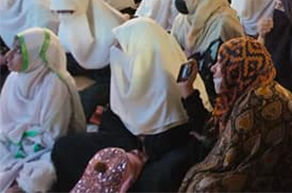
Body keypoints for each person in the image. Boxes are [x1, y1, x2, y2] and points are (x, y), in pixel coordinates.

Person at [52, 18, 203, 192]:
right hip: (125, 148)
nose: (117, 54)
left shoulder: (172, 84)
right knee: (65, 148)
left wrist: (140, 157)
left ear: (143, 52)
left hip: (158, 160)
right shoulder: (128, 77)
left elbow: (190, 138)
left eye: (123, 49)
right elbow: (114, 120)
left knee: (161, 178)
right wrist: (127, 153)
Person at [178, 37, 292, 192]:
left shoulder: (259, 99)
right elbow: (213, 134)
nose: (213, 68)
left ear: (235, 70)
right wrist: (188, 91)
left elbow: (227, 157)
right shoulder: (249, 90)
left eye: (221, 63)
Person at [0, 28, 86, 193]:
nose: (8, 56)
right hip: (13, 141)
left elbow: (54, 135)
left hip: (42, 149)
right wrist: (15, 137)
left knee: (40, 175)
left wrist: (22, 137)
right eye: (11, 48)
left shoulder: (54, 84)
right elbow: (4, 124)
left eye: (18, 51)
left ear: (36, 56)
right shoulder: (13, 79)